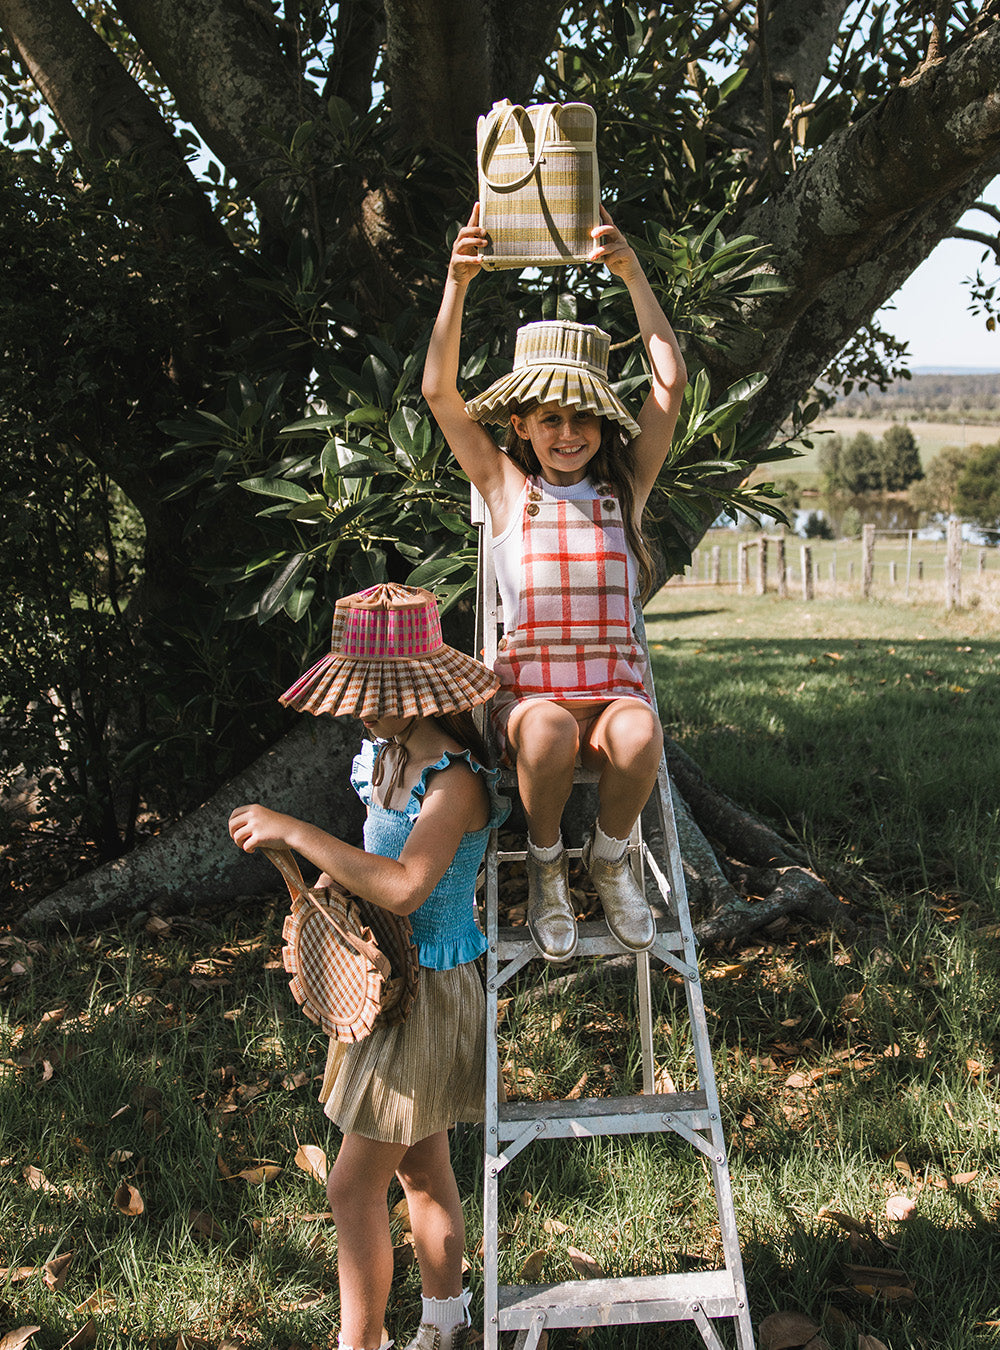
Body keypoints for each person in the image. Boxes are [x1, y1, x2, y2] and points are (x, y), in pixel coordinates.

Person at [228, 583, 509, 1350]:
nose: (360, 709)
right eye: (356, 693)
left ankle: (363, 1342)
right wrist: (323, 890)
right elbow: (369, 865)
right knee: (421, 1167)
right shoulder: (383, 758)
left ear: (422, 691)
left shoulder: (452, 784)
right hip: (384, 983)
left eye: (375, 695)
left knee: (352, 1185)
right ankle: (447, 1325)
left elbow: (405, 883)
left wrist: (298, 832)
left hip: (429, 991)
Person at [421, 203, 686, 964]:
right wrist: (456, 282)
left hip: (610, 699)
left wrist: (632, 272)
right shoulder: (508, 490)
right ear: (523, 427)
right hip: (530, 707)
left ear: (602, 427)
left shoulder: (622, 490)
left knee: (640, 732)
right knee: (547, 729)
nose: (567, 434)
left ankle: (607, 860)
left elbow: (668, 385)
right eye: (549, 420)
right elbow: (441, 392)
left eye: (583, 420)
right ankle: (545, 870)